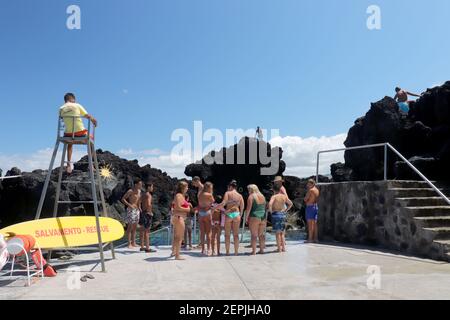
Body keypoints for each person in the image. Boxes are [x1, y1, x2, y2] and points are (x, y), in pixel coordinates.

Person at [59, 93, 97, 174]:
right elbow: (88, 116)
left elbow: (61, 120)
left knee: (70, 142)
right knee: (92, 142)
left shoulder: (61, 108)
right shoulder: (77, 105)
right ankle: (91, 165)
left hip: (68, 135)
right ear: (72, 99)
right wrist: (94, 121)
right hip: (81, 133)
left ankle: (69, 164)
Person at [218, 180, 244, 256]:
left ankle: (227, 252)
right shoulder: (240, 196)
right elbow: (242, 207)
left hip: (229, 214)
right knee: (236, 235)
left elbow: (223, 203)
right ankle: (236, 252)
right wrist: (240, 215)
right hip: (236, 214)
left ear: (230, 186)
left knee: (227, 235)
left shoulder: (227, 193)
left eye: (228, 187)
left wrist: (217, 208)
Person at [268, 184, 293, 253]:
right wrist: (285, 210)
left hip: (276, 214)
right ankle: (283, 248)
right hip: (282, 214)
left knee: (277, 233)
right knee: (282, 232)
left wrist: (271, 212)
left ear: (274, 190)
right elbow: (291, 203)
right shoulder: (284, 196)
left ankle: (279, 249)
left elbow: (270, 204)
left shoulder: (274, 196)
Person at [171, 181, 191, 260]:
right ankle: (177, 255)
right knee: (179, 237)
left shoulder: (180, 195)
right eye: (186, 187)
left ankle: (175, 252)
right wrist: (187, 209)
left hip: (178, 217)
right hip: (179, 217)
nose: (187, 188)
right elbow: (178, 207)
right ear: (183, 187)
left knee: (177, 236)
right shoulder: (179, 195)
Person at [245, 184, 267, 255]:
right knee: (261, 235)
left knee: (254, 235)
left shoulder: (251, 196)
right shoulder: (262, 196)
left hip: (254, 216)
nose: (248, 191)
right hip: (263, 216)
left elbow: (248, 208)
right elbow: (265, 207)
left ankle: (254, 251)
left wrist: (246, 218)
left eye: (248, 189)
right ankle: (261, 250)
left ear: (251, 189)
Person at [121, 179, 142, 249]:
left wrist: (139, 207)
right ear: (136, 184)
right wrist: (129, 205)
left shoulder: (139, 191)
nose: (141, 185)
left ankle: (133, 242)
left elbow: (139, 200)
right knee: (130, 227)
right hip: (131, 210)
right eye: (140, 184)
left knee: (135, 227)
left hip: (137, 210)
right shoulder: (130, 191)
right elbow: (123, 199)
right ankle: (129, 243)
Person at [197, 182, 215, 256]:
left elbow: (199, 203)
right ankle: (208, 249)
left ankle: (202, 249)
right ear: (208, 188)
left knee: (202, 232)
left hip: (201, 213)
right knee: (209, 232)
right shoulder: (209, 195)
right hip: (207, 212)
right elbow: (213, 202)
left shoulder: (200, 194)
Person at [139, 183, 156, 253]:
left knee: (142, 229)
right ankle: (147, 248)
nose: (152, 188)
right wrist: (150, 212)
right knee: (147, 231)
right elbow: (149, 204)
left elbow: (138, 202)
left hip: (143, 212)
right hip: (147, 213)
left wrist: (141, 210)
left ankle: (142, 246)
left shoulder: (143, 194)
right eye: (152, 186)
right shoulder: (148, 195)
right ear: (148, 187)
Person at [304, 179, 320, 243]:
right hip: (315, 206)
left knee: (310, 224)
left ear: (312, 184)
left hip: (310, 207)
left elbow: (305, 199)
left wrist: (306, 199)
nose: (307, 185)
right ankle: (316, 239)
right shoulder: (317, 190)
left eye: (308, 184)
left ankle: (310, 239)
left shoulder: (310, 190)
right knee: (315, 224)